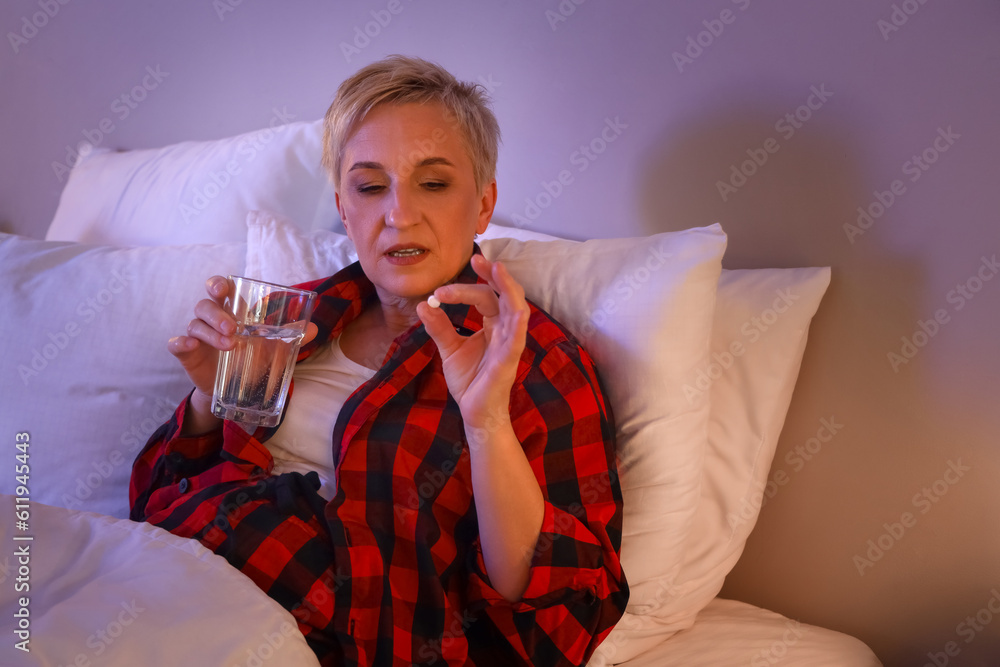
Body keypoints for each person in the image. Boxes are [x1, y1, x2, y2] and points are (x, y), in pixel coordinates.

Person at [130, 55, 628, 666]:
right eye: (370, 186)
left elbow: (562, 623)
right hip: (160, 588)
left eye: (434, 182)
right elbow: (152, 500)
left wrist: (486, 424)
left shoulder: (533, 361)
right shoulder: (296, 318)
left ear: (483, 204)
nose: (398, 214)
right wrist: (210, 402)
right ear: (344, 207)